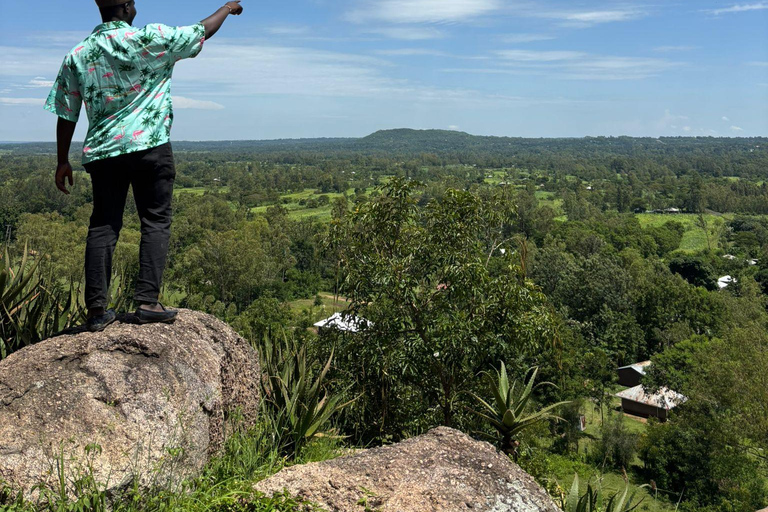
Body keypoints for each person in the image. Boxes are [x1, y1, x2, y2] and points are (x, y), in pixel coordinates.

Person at [45, 0, 244, 332]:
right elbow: (200, 31)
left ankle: (97, 311)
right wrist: (226, 8)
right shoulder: (150, 39)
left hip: (104, 152)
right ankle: (148, 303)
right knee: (155, 221)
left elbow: (66, 111)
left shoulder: (78, 54)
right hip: (150, 146)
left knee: (104, 225)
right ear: (125, 8)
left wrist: (62, 160)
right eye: (133, 3)